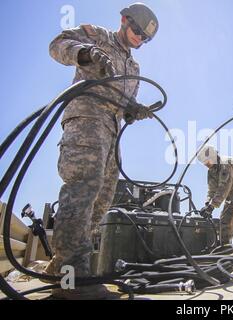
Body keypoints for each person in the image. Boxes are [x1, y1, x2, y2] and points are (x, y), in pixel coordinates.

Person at [46, 3, 159, 299]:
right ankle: (74, 280)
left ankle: (61, 268)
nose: (139, 39)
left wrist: (133, 110)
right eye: (136, 31)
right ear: (124, 20)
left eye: (144, 39)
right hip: (86, 120)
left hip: (111, 133)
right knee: (82, 190)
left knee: (101, 201)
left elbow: (123, 103)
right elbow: (57, 46)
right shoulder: (96, 36)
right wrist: (86, 53)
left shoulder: (134, 67)